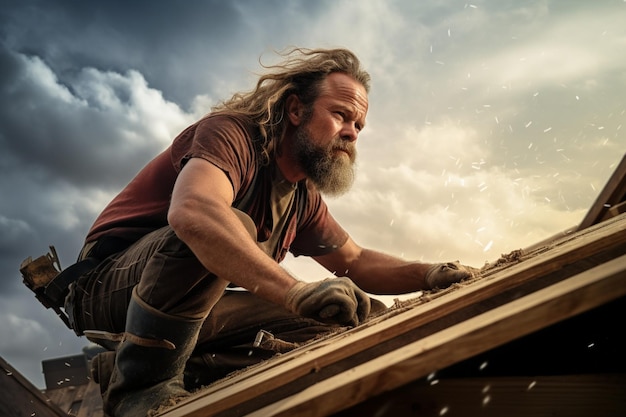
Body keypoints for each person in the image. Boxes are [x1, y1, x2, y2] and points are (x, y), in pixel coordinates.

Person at [64, 47, 477, 416]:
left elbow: (355, 261)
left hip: (186, 313)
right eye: (340, 115)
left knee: (344, 320)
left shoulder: (301, 196)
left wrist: (429, 274)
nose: (351, 132)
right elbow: (193, 213)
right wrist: (296, 292)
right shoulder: (234, 135)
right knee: (222, 226)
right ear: (296, 110)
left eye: (358, 126)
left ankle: (171, 368)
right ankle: (141, 388)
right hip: (105, 289)